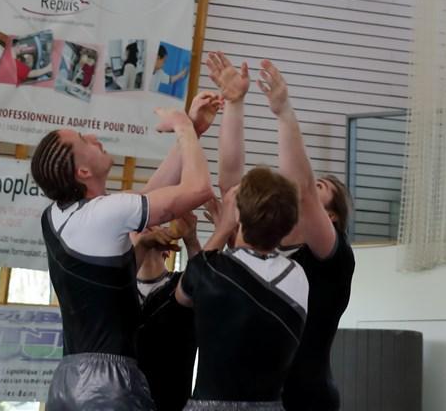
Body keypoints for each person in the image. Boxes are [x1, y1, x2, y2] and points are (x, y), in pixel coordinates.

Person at [30, 92, 219, 411]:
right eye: (83, 140)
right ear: (83, 173)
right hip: (107, 383)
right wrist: (183, 127)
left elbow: (148, 197)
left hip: (67, 381)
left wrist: (193, 130)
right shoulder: (103, 214)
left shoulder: (57, 216)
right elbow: (198, 190)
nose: (93, 137)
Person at [207, 52, 356, 411]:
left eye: (321, 187)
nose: (298, 186)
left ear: (331, 218)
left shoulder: (331, 260)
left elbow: (301, 192)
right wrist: (234, 104)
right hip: (251, 397)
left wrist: (284, 112)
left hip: (305, 398)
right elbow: (230, 187)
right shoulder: (256, 245)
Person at [175, 167, 308, 409]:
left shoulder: (211, 270)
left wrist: (224, 228)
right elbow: (245, 271)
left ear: (237, 215)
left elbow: (182, 295)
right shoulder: (298, 275)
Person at [132, 212, 201, 411]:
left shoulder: (181, 284)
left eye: (153, 224)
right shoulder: (118, 289)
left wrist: (191, 240)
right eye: (136, 226)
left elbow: (202, 282)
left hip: (172, 401)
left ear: (168, 250)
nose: (145, 226)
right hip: (122, 400)